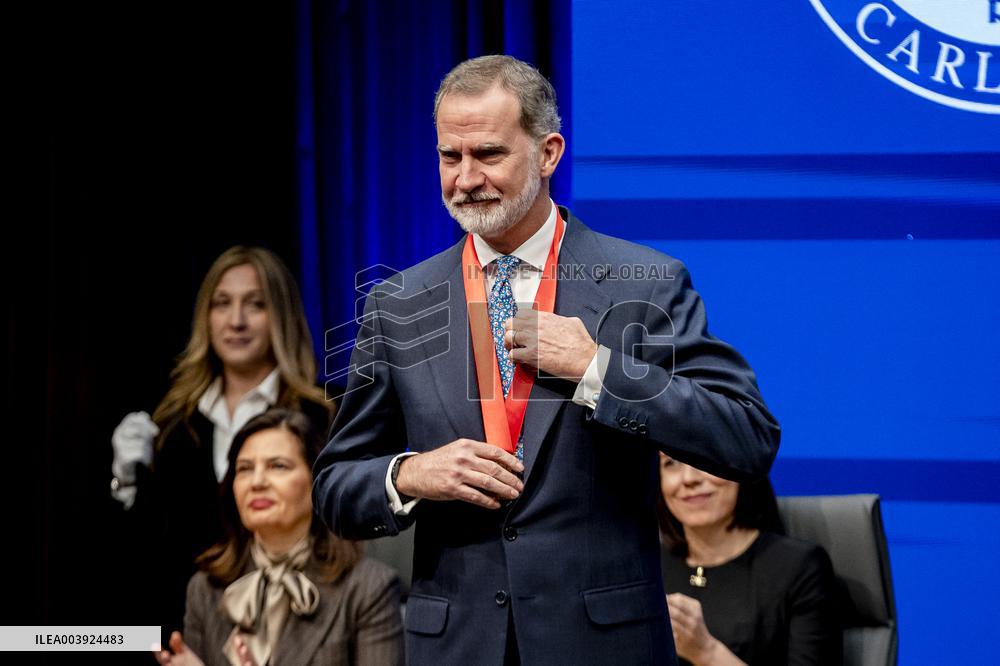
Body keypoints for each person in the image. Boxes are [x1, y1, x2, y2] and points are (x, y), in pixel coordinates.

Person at [313, 55, 781, 665]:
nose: (465, 179)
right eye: (449, 158)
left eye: (488, 155)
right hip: (457, 646)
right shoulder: (399, 304)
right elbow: (333, 486)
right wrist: (408, 475)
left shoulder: (643, 284)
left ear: (548, 152)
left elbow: (745, 435)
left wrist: (598, 369)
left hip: (601, 645)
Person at [110, 246, 333, 636]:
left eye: (256, 305)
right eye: (222, 304)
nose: (236, 321)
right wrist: (126, 483)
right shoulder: (172, 424)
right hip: (183, 632)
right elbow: (145, 555)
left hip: (293, 631)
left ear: (280, 316)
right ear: (205, 317)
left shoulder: (322, 415)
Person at [154, 408, 404, 666]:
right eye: (245, 469)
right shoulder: (204, 588)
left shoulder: (369, 588)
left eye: (278, 466)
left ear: (317, 481)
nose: (257, 482)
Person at [657, 453, 841, 665]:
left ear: (741, 468)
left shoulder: (800, 567)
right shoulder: (648, 568)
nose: (689, 478)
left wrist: (707, 652)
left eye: (705, 458)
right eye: (671, 463)